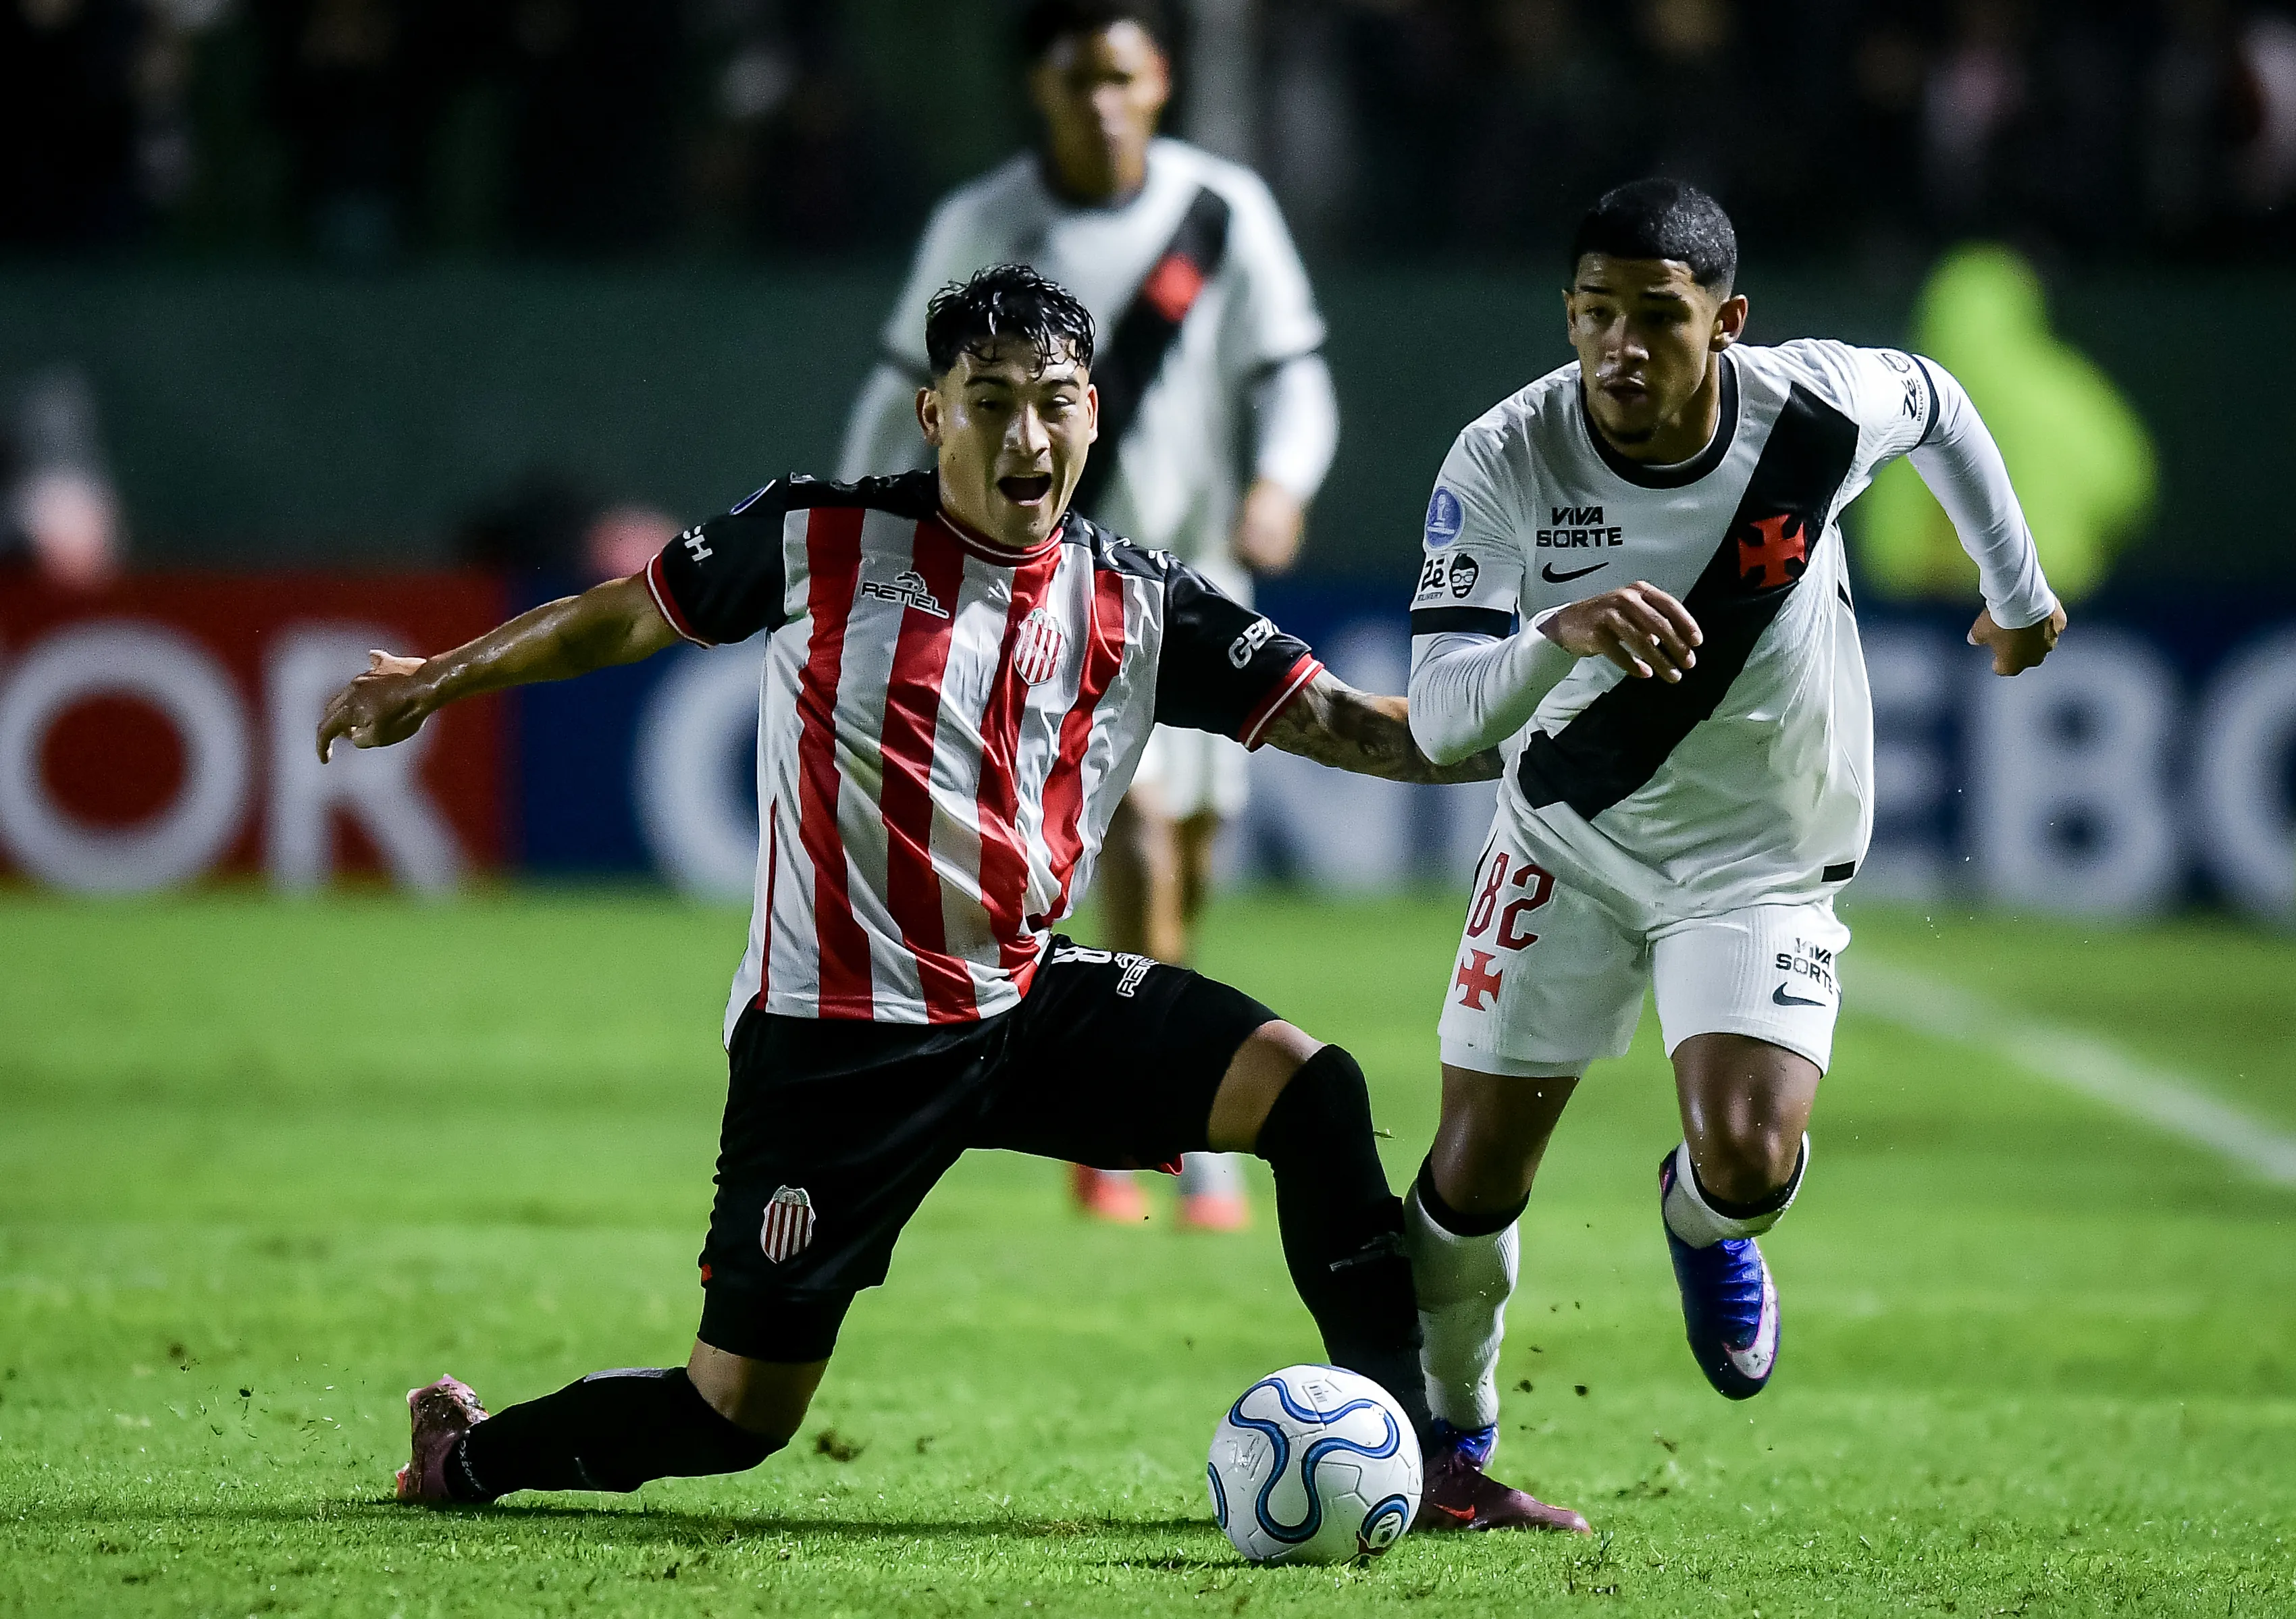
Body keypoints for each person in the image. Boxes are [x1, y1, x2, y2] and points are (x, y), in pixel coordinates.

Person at [321, 265, 1584, 1533]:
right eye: (989, 402)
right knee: (733, 1417)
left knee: (1311, 1088)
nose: (1024, 437)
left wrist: (1552, 704)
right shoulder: (820, 536)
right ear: (934, 416)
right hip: (833, 1045)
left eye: (1052, 403)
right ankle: (467, 1460)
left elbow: (1355, 727)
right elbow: (616, 620)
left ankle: (1424, 1464)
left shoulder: (1140, 597)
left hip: (1023, 1001)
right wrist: (437, 676)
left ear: (1094, 412)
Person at [1396, 180, 2066, 1510]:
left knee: (1749, 1154)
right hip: (1567, 835)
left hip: (1758, 848)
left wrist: (2017, 589)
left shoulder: (1811, 408)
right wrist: (1557, 634)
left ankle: (1701, 1220)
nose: (1619, 349)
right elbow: (1433, 715)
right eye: (1594, 314)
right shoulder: (1501, 454)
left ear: (1727, 321)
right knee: (1469, 1177)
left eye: (1657, 316)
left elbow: (1937, 398)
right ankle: (1452, 1447)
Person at [838, 0, 1339, 1229]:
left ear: (1160, 79)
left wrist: (1282, 485)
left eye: (1121, 76)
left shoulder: (1224, 213)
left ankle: (1139, 1095)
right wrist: (861, 537)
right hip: (1047, 586)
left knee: (1193, 846)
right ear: (1041, 92)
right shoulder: (984, 224)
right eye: (1077, 82)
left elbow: (1296, 378)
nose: (1101, 103)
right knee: (1146, 828)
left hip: (1201, 577)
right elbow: (904, 390)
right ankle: (1168, 1133)